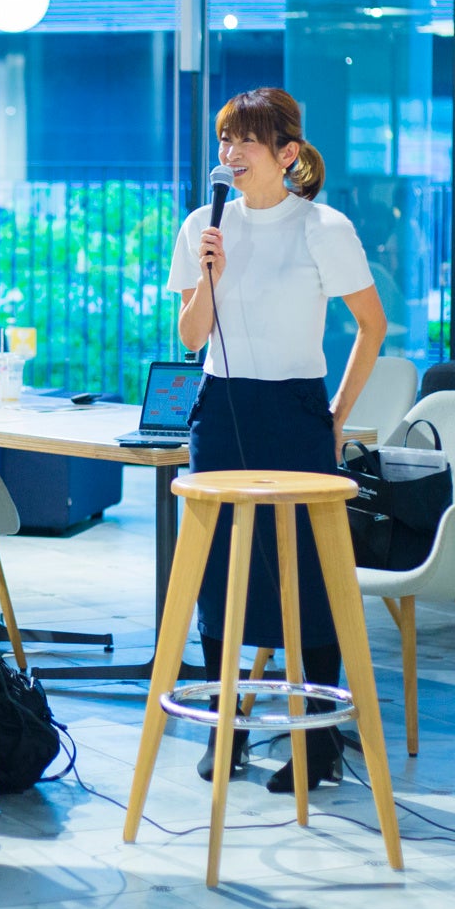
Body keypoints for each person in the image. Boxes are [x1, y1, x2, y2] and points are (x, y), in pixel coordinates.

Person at [168, 87, 388, 790]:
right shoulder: (203, 224)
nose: (229, 152)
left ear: (287, 152)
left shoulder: (323, 226)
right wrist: (209, 276)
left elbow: (373, 325)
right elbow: (191, 337)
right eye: (225, 138)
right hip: (220, 406)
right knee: (218, 569)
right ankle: (223, 728)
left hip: (295, 409)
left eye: (246, 140)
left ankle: (317, 742)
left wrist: (336, 413)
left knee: (310, 575)